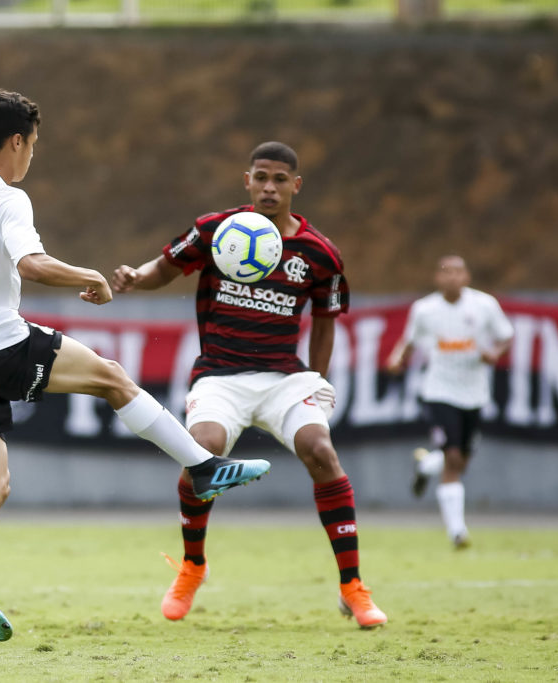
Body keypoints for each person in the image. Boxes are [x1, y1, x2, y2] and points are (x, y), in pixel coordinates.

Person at [0, 88, 271, 642]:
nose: (32, 155)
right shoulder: (10, 200)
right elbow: (33, 263)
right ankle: (202, 468)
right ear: (16, 141)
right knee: (111, 378)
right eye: (33, 144)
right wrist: (91, 275)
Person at [112, 141, 387, 629]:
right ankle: (193, 566)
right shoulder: (217, 230)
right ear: (247, 180)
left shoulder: (320, 254)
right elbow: (164, 269)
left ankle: (353, 587)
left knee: (320, 450)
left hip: (284, 377)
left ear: (295, 186)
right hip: (220, 375)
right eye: (261, 177)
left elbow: (325, 322)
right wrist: (136, 276)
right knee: (202, 449)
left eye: (280, 179)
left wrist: (318, 381)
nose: (269, 187)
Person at [386, 255, 513, 549]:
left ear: (466, 277)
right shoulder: (425, 309)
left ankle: (426, 465)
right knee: (454, 459)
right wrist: (396, 358)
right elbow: (409, 340)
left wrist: (495, 352)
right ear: (438, 278)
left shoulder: (484, 305)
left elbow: (506, 336)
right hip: (439, 392)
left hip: (474, 393)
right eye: (447, 272)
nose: (453, 277)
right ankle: (458, 532)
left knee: (461, 461)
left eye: (458, 272)